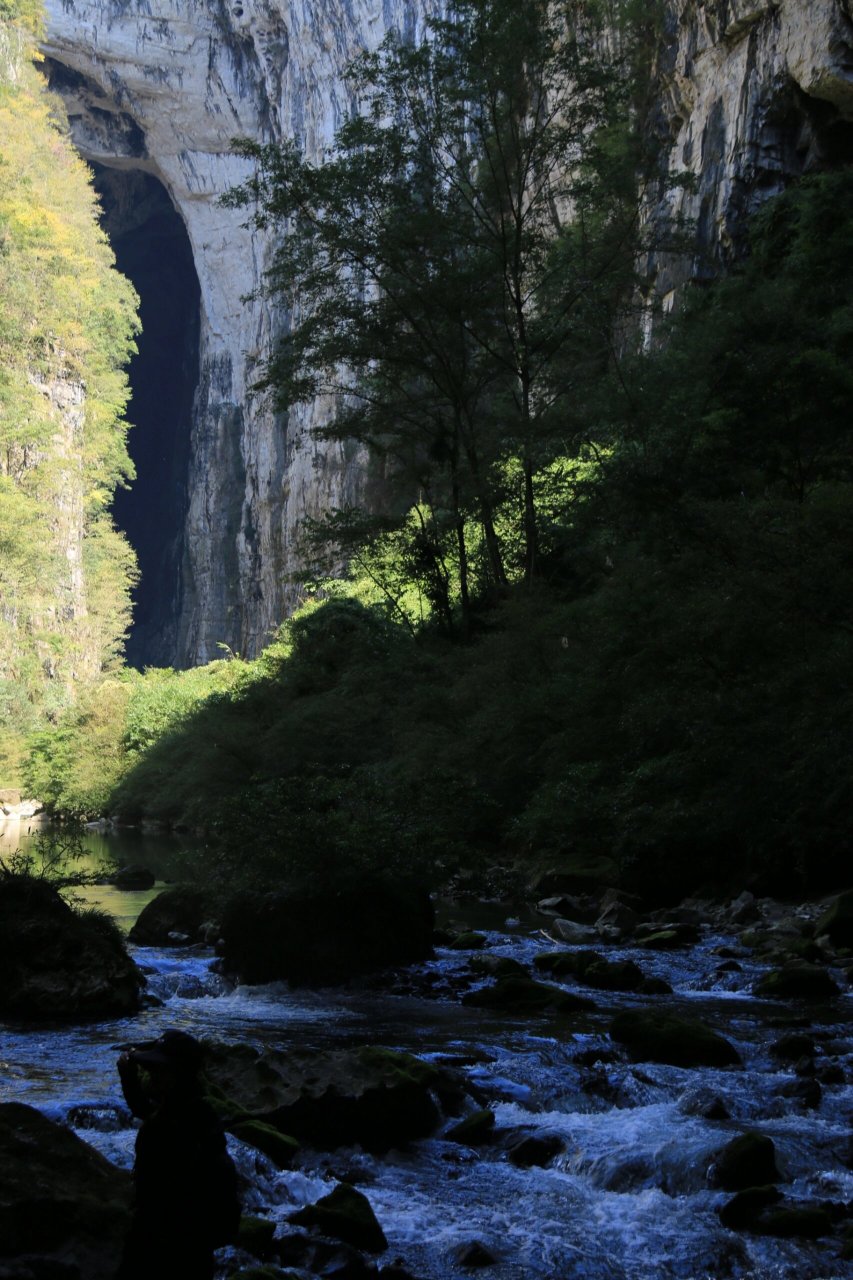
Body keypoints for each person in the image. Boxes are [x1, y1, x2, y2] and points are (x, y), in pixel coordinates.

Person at [116, 1028, 240, 1280]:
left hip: (164, 1253)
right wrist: (129, 1079)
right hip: (194, 1252)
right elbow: (148, 1112)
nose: (150, 1074)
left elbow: (154, 1209)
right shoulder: (200, 1113)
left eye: (158, 1070)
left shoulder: (167, 1130)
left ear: (177, 1076)